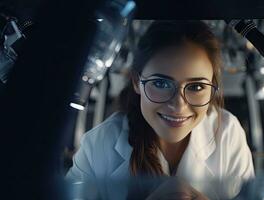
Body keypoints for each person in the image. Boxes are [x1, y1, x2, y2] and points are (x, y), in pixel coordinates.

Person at [66, 20, 254, 199]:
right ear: (136, 82)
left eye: (196, 87)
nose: (178, 105)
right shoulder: (98, 145)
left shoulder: (228, 132)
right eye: (161, 83)